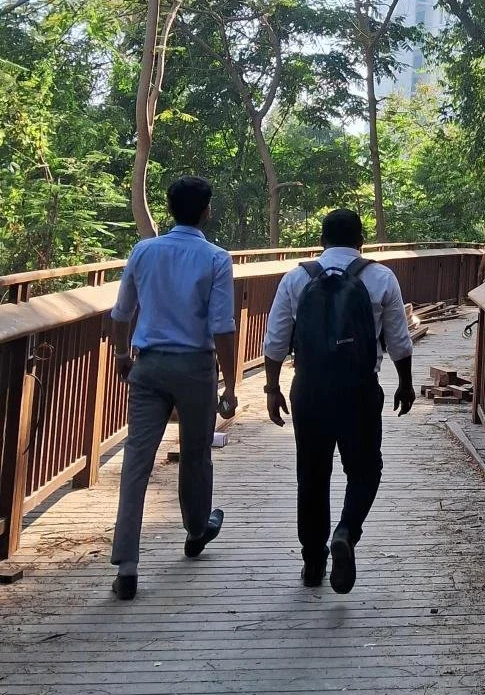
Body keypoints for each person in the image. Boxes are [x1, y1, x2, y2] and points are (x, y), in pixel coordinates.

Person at [261, 209, 414, 592]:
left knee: (311, 476)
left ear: (322, 240)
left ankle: (313, 562)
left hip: (309, 390)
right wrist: (405, 383)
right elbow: (398, 339)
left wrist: (273, 388)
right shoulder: (380, 277)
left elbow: (276, 340)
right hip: (359, 390)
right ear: (360, 240)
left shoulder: (297, 278)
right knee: (365, 469)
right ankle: (346, 531)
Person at [108, 176, 236, 601]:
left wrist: (123, 357)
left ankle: (127, 565)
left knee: (136, 464)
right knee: (195, 454)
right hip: (195, 368)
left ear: (169, 207)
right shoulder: (216, 258)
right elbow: (222, 325)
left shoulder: (144, 251)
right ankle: (197, 531)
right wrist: (230, 383)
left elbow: (122, 310)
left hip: (148, 367)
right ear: (206, 210)